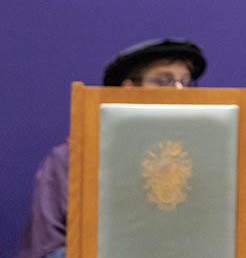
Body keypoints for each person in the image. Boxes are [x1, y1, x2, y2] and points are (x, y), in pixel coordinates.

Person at [16, 38, 206, 258]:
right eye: (164, 81)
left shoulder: (205, 158)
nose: (180, 92)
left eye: (186, 82)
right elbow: (46, 249)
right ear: (129, 89)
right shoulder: (73, 159)